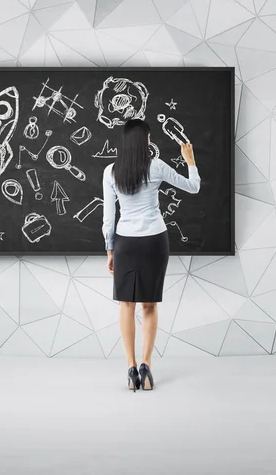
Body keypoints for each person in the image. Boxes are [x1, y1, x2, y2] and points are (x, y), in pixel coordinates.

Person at [102, 119, 200, 392]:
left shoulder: (110, 172)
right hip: (154, 241)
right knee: (149, 305)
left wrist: (110, 250)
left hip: (125, 243)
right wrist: (189, 160)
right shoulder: (156, 167)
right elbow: (193, 187)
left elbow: (108, 219)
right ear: (145, 141)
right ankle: (146, 367)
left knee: (126, 305)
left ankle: (130, 368)